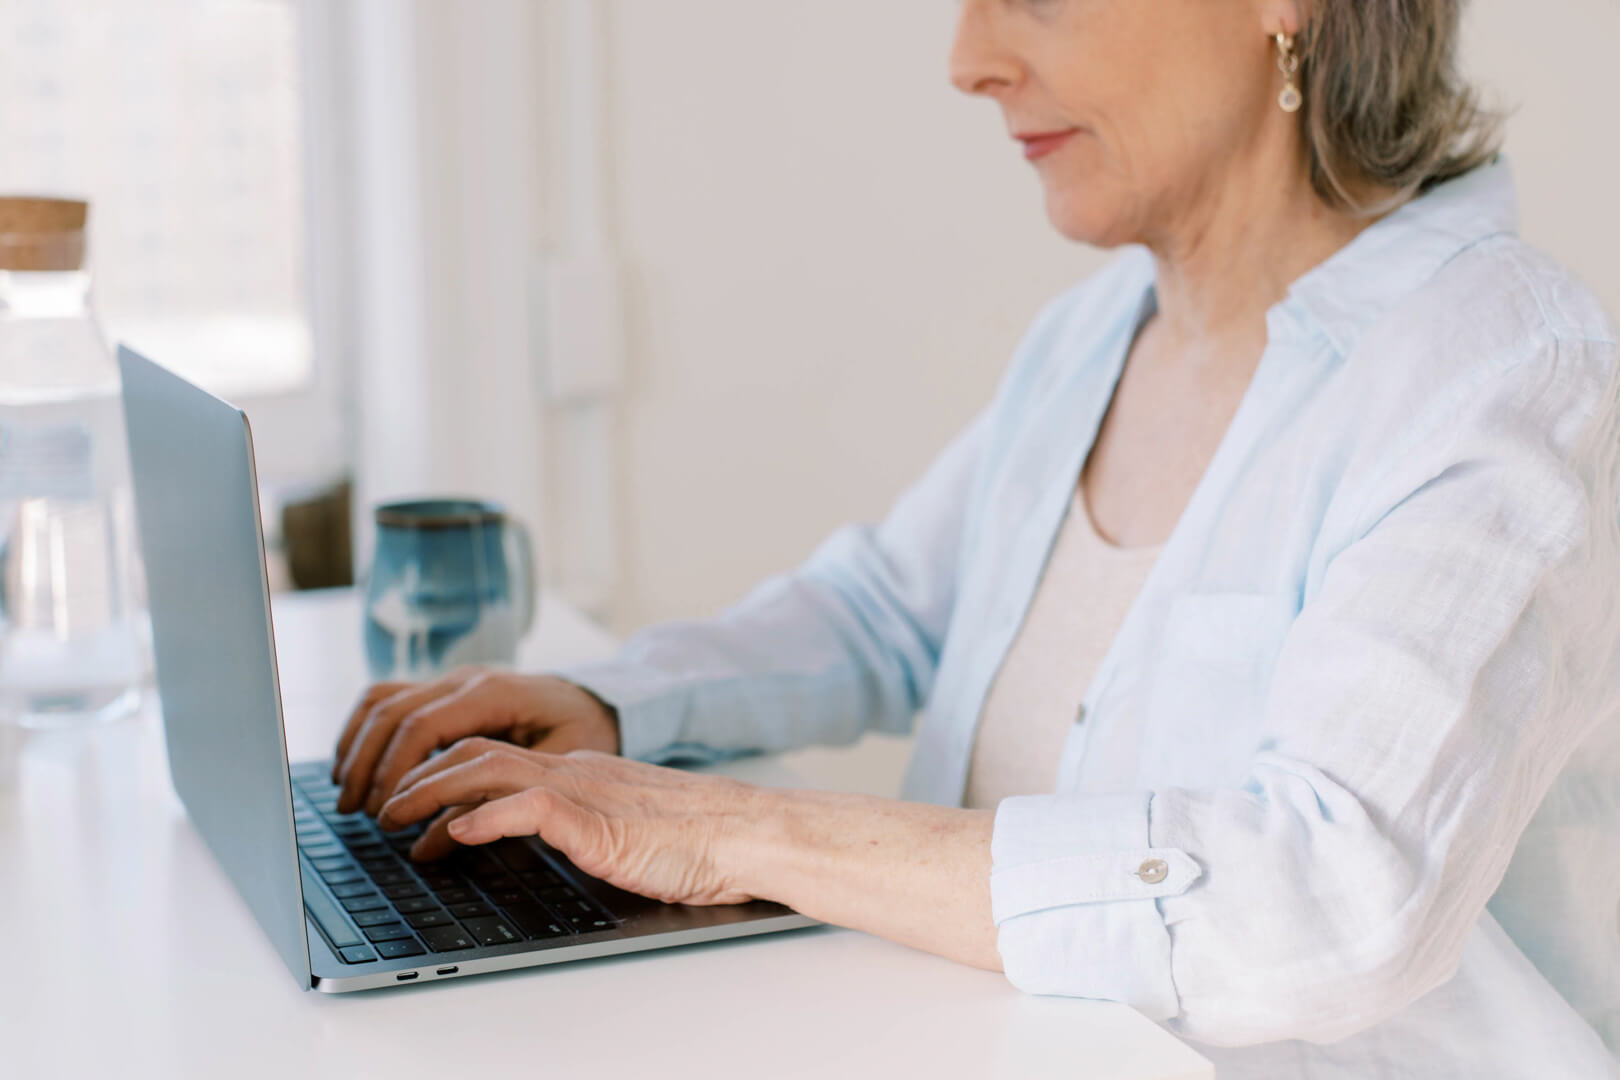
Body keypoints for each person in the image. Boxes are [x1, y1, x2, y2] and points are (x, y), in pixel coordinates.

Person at [331, 1, 1620, 1075]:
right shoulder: (1097, 334)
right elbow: (888, 610)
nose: (970, 59)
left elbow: (1334, 897)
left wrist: (732, 833)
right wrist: (607, 704)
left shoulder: (1500, 369)